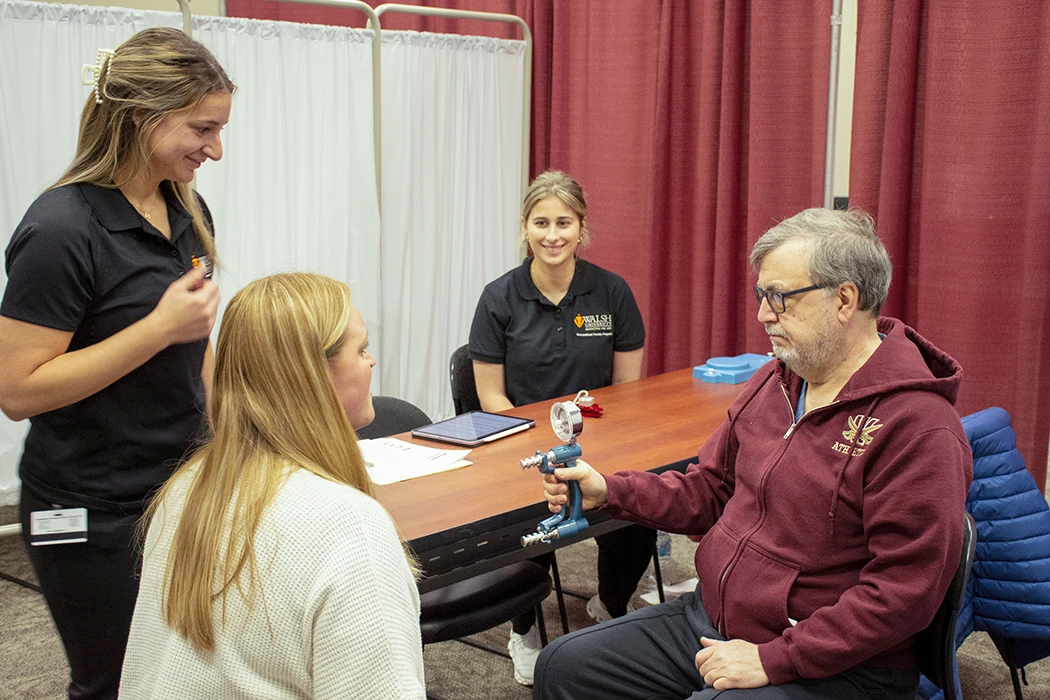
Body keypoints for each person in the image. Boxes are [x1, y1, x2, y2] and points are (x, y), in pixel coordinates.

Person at [533, 208, 973, 699]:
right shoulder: (775, 381)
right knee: (564, 667)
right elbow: (711, 489)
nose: (764, 313)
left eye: (780, 297)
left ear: (845, 299)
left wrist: (774, 658)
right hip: (716, 620)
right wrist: (608, 489)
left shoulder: (919, 428)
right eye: (762, 296)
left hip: (835, 664)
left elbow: (902, 593)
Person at [0, 28, 232, 699]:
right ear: (141, 117)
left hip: (176, 485)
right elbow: (18, 390)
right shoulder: (61, 230)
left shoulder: (182, 205)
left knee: (182, 671)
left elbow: (198, 344)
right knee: (114, 682)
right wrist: (158, 329)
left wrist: (229, 443)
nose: (215, 149)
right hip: (88, 508)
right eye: (203, 128)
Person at [118, 273, 426, 698]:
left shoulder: (184, 488)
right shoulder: (349, 526)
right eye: (362, 349)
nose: (371, 361)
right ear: (313, 377)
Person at [469, 170, 657, 686]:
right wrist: (542, 452)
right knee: (524, 527)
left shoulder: (612, 293)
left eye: (564, 222)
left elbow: (626, 393)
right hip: (525, 449)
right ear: (525, 228)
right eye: (541, 222)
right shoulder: (498, 298)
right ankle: (524, 629)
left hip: (600, 442)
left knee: (638, 515)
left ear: (582, 228)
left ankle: (610, 603)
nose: (552, 234)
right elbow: (492, 399)